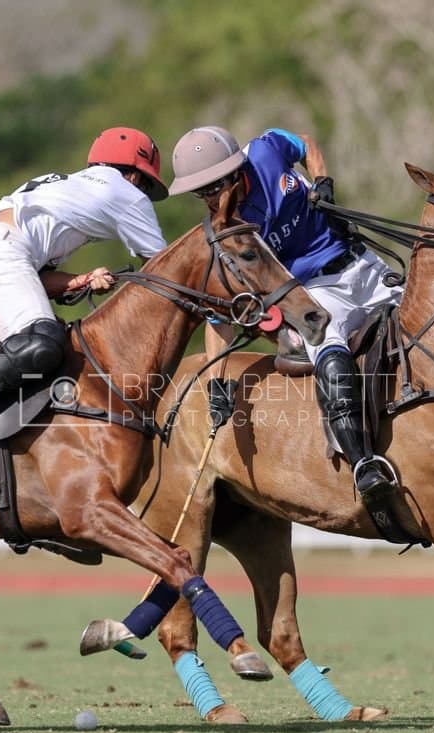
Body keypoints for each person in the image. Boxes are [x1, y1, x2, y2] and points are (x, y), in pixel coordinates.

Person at [0, 127, 170, 488]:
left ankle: (24, 475)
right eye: (146, 185)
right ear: (133, 175)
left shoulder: (66, 187)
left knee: (53, 359)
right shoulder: (127, 194)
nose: (144, 195)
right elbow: (166, 270)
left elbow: (35, 277)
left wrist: (80, 280)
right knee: (41, 344)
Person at [167, 126, 403, 515]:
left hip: (362, 262)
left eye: (214, 186)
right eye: (200, 192)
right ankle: (363, 463)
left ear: (234, 169)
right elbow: (219, 317)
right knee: (329, 348)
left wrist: (322, 180)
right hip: (316, 291)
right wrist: (217, 381)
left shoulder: (266, 150)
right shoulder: (230, 234)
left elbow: (305, 143)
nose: (210, 198)